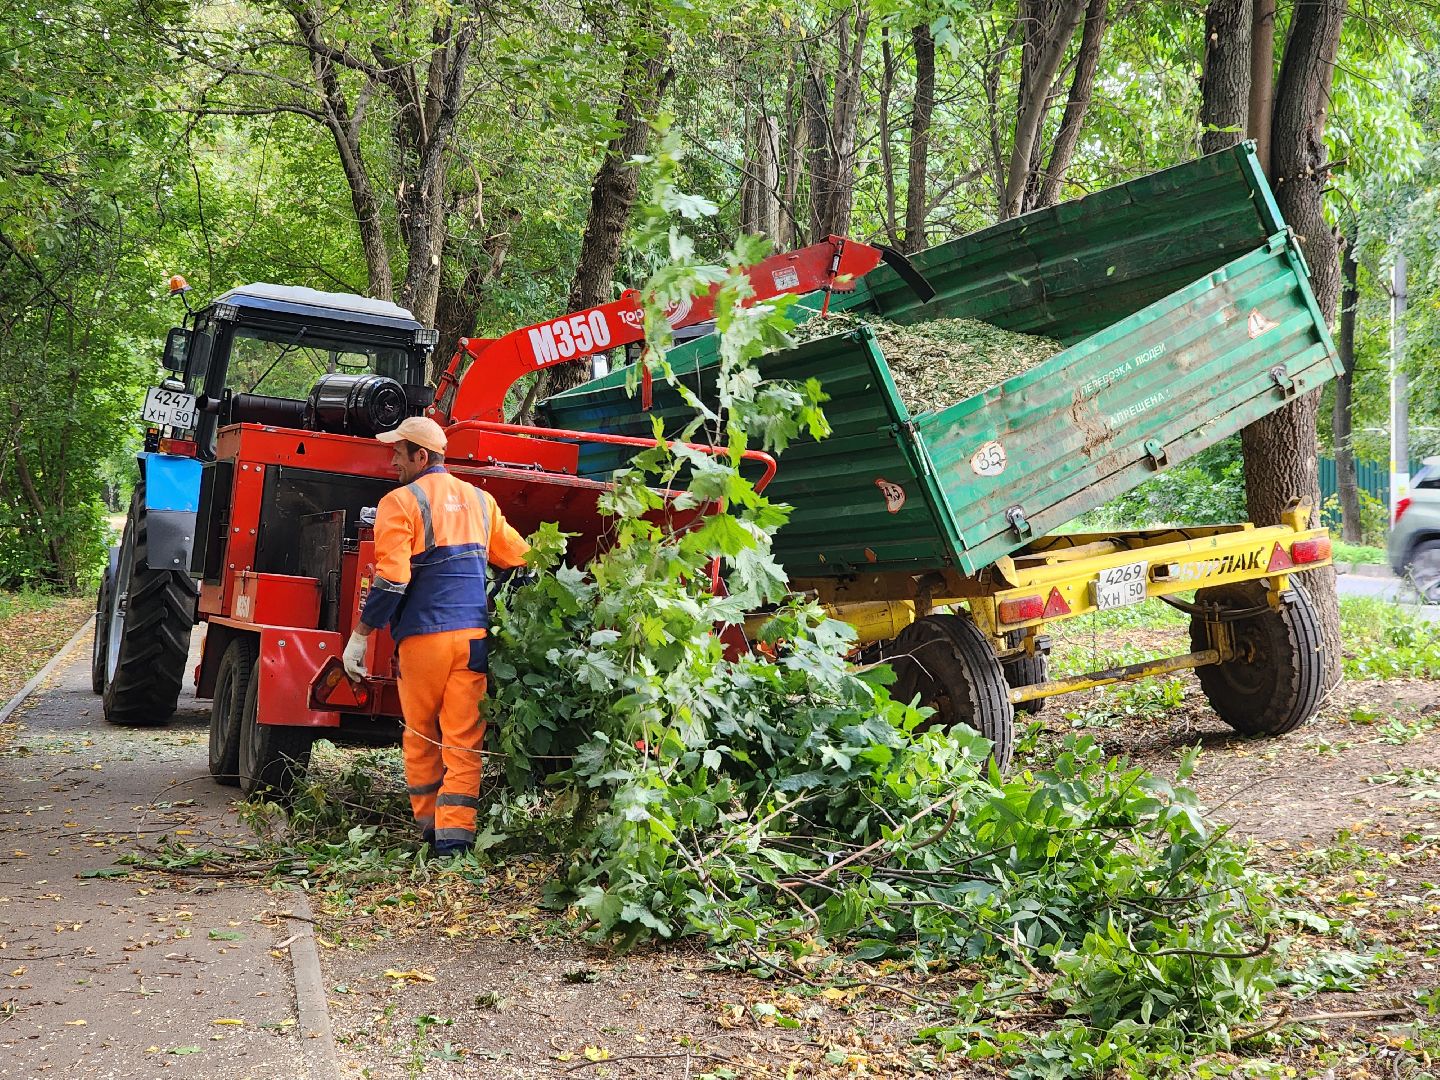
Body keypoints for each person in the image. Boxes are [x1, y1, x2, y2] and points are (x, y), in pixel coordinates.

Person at [342, 416, 530, 857]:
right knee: (464, 741)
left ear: (421, 456)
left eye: (398, 452)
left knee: (422, 735)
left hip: (424, 640)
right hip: (472, 641)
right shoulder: (482, 501)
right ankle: (454, 844)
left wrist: (361, 634)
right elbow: (522, 559)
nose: (393, 461)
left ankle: (428, 826)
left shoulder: (399, 502)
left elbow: (391, 580)